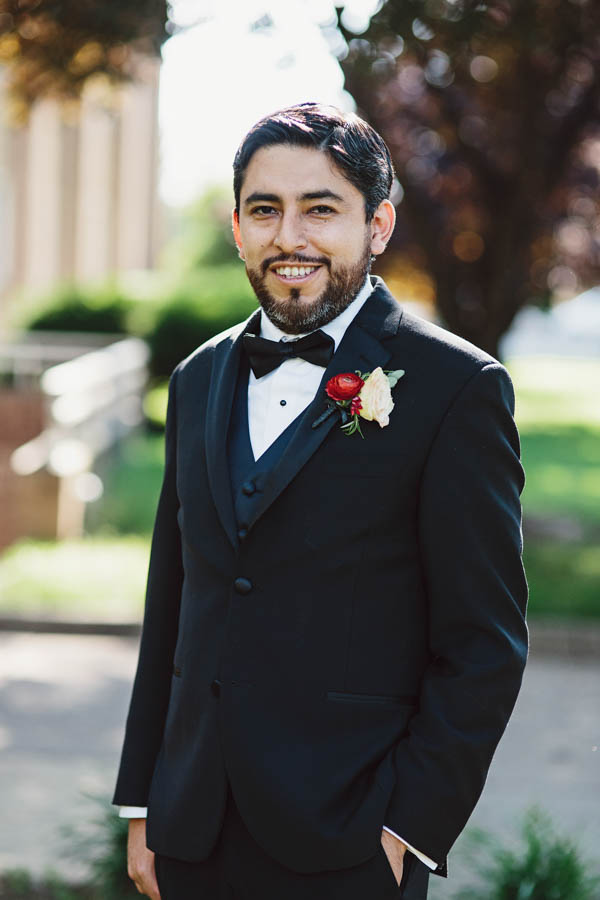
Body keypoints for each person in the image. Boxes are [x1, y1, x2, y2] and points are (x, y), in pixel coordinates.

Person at [113, 102, 528, 900]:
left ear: (378, 226)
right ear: (236, 227)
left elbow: (485, 643)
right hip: (190, 829)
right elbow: (174, 603)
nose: (289, 236)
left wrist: (406, 826)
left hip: (350, 839)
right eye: (265, 210)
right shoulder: (197, 379)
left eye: (321, 209)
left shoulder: (455, 388)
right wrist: (142, 801)